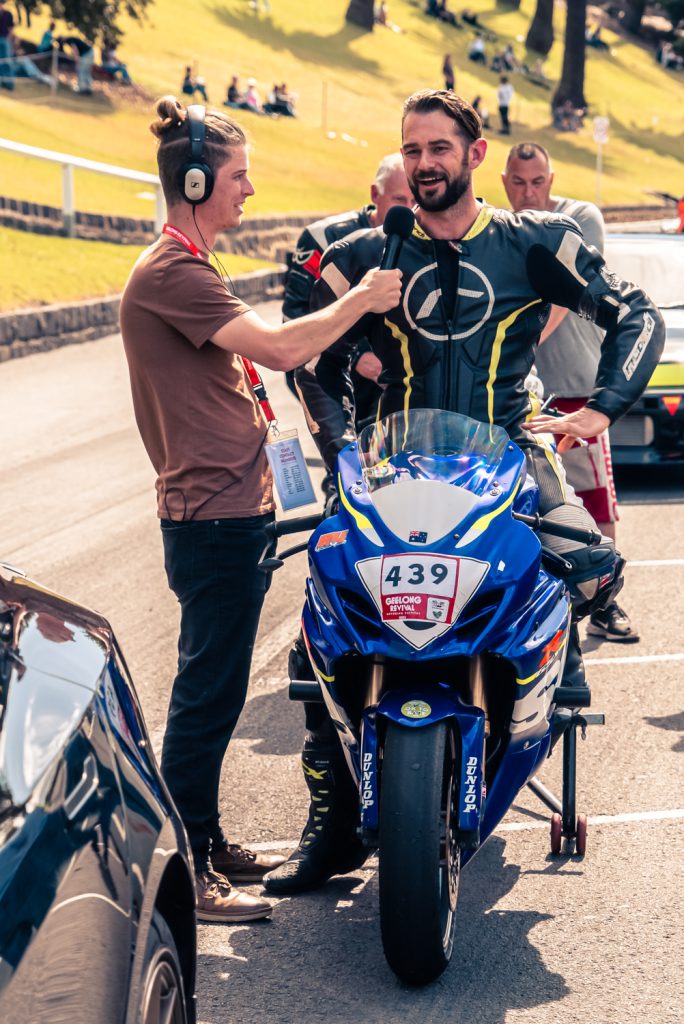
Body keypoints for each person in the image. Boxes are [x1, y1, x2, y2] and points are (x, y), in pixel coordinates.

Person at [263, 89, 664, 895]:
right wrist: (341, 452)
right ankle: (331, 825)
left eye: (438, 149)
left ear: (475, 154)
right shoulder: (370, 251)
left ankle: (554, 663)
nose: (423, 165)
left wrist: (602, 410)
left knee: (590, 566)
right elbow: (310, 360)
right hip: (390, 464)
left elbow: (638, 316)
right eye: (411, 151)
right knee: (325, 622)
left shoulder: (534, 241)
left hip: (510, 451)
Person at [118, 96, 402, 922]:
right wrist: (361, 300)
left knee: (216, 690)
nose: (249, 189)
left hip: (227, 513)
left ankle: (203, 840)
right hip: (212, 518)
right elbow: (281, 349)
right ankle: (186, 870)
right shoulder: (172, 272)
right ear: (196, 182)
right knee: (207, 698)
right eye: (238, 176)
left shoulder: (189, 267)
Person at [502, 141, 639, 641]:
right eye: (519, 183)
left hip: (576, 386)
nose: (528, 192)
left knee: (594, 498)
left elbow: (561, 295)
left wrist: (517, 344)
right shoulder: (501, 228)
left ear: (552, 181)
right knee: (524, 504)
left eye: (537, 182)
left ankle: (605, 601)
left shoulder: (578, 219)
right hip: (519, 396)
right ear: (504, 183)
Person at [282, 151, 413, 428]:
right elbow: (294, 320)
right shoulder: (324, 237)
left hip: (400, 397)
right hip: (337, 382)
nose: (409, 210)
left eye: (416, 201)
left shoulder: (425, 239)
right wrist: (359, 358)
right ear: (375, 194)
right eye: (400, 200)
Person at [0, 0, 16, 91]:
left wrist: (9, 40)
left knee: (7, 62)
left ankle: (9, 84)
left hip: (5, 40)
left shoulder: (8, 14)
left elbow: (11, 28)